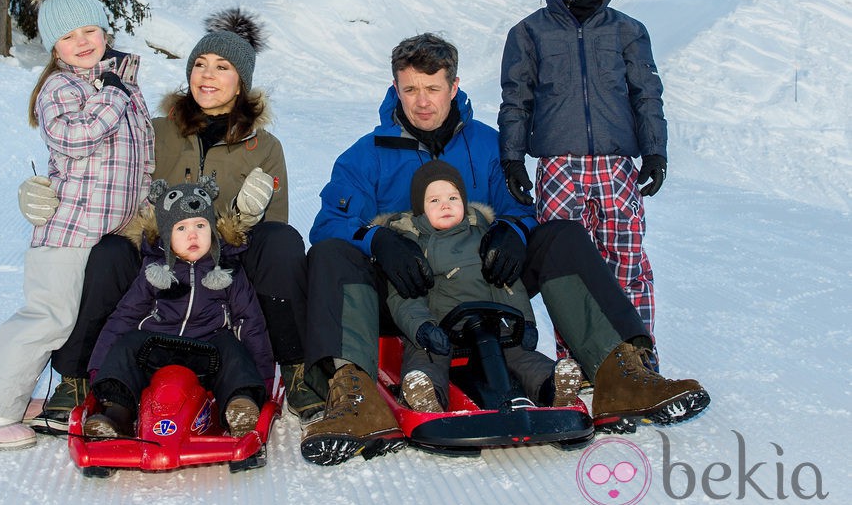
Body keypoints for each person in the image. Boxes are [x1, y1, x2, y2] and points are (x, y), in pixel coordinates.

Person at [299, 33, 708, 466]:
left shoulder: (485, 144)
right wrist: (378, 239)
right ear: (395, 87)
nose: (422, 101)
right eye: (410, 89)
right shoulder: (366, 155)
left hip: (485, 283)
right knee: (331, 254)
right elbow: (327, 224)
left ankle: (621, 372)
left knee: (561, 237)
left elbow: (521, 208)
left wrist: (512, 229)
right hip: (408, 294)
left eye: (433, 88)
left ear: (454, 87)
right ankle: (354, 394)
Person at [17, 9, 319, 432]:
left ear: (242, 81)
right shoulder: (158, 128)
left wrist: (244, 220)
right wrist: (50, 194)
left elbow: (274, 223)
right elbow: (97, 165)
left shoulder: (264, 146)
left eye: (222, 67)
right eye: (199, 64)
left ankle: (296, 369)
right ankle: (75, 378)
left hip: (226, 262)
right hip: (158, 256)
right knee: (108, 252)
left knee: (282, 240)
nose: (207, 76)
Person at [0, 0, 155, 450]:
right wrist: (112, 95)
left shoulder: (125, 86)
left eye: (91, 29)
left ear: (106, 31)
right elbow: (74, 139)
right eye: (70, 37)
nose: (83, 42)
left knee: (65, 317)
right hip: (68, 230)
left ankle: (13, 394)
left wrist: (149, 199)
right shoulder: (59, 87)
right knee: (47, 318)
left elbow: (143, 153)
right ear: (54, 47)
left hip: (106, 231)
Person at [498, 0, 667, 364]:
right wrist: (512, 159)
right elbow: (516, 99)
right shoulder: (528, 33)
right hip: (558, 166)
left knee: (625, 260)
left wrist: (655, 151)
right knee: (568, 269)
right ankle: (582, 364)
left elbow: (646, 94)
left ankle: (638, 358)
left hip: (615, 166)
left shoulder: (627, 30)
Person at [382, 160, 583, 413]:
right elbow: (405, 296)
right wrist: (422, 328)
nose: (445, 204)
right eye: (434, 200)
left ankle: (551, 386)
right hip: (439, 329)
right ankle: (425, 395)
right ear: (419, 209)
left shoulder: (483, 234)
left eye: (453, 197)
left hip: (492, 324)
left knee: (520, 354)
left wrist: (526, 323)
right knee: (425, 357)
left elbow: (507, 285)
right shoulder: (412, 244)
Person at [83, 177, 272, 439]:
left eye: (200, 225)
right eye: (180, 228)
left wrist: (260, 378)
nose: (192, 234)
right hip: (157, 349)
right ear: (166, 234)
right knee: (129, 342)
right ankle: (116, 415)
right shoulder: (154, 271)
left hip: (208, 352)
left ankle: (239, 405)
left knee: (232, 347)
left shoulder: (228, 272)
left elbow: (250, 321)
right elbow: (125, 316)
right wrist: (100, 368)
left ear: (213, 232)